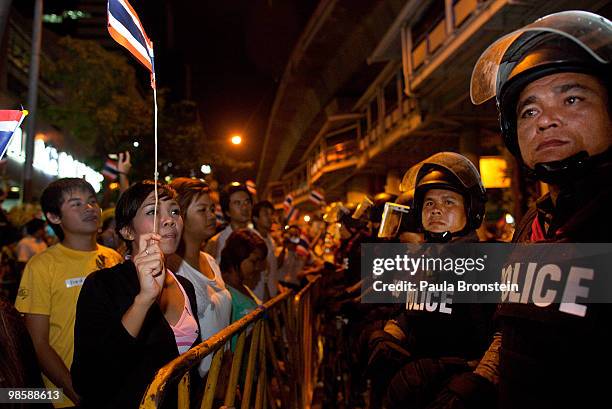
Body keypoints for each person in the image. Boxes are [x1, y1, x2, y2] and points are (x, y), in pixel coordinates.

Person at [467, 10, 612, 409]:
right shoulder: (536, 223)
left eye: (572, 98)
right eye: (529, 111)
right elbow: (514, 329)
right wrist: (481, 380)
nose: (546, 120)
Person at [366, 153, 495, 409]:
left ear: (472, 210)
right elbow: (411, 311)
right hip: (418, 391)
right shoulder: (426, 261)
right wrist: (389, 335)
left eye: (449, 202)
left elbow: (505, 337)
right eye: (428, 203)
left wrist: (476, 379)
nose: (436, 209)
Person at [71, 181, 201, 409]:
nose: (170, 219)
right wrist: (143, 300)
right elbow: (88, 380)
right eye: (153, 211)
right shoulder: (103, 285)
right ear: (127, 231)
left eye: (174, 211)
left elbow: (191, 369)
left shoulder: (185, 286)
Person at [15, 178, 123, 408]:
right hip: (63, 397)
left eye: (92, 201)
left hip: (112, 388)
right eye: (76, 204)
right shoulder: (42, 265)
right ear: (54, 217)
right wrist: (76, 393)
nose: (89, 208)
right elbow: (38, 342)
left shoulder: (113, 258)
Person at [169, 177, 231, 377]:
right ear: (179, 216)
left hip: (223, 377)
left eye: (212, 209)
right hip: (195, 385)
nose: (212, 216)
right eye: (202, 210)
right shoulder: (172, 269)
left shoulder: (211, 261)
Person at [219, 229, 267, 350]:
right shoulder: (225, 293)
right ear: (238, 257)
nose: (257, 267)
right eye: (253, 261)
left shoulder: (242, 286)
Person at [252, 200, 280, 298]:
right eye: (265, 214)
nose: (270, 218)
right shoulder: (252, 240)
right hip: (260, 297)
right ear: (255, 218)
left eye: (271, 214)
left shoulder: (270, 239)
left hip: (272, 295)